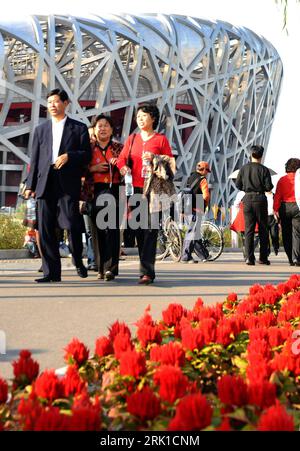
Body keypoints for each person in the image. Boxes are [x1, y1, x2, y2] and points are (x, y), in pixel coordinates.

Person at [25, 88, 91, 282]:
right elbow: (35, 159)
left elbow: (87, 155)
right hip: (45, 182)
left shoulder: (78, 128)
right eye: (50, 102)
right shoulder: (40, 130)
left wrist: (69, 156)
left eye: (56, 101)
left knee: (71, 224)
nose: (52, 105)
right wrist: (30, 185)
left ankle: (78, 259)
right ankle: (51, 273)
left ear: (65, 103)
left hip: (67, 184)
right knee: (45, 229)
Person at [117, 103, 175, 285]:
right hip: (134, 189)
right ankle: (145, 266)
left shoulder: (161, 140)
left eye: (144, 116)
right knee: (138, 230)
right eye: (138, 116)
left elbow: (171, 164)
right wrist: (123, 167)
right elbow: (121, 159)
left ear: (153, 118)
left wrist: (155, 158)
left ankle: (147, 272)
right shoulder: (132, 139)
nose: (140, 119)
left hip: (154, 189)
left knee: (150, 229)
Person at [88, 114, 123, 281]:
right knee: (96, 230)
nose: (102, 128)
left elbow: (127, 168)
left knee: (112, 230)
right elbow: (80, 170)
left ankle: (111, 268)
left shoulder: (119, 148)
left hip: (114, 190)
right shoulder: (88, 148)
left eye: (106, 125)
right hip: (93, 191)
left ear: (111, 129)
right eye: (99, 126)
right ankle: (100, 267)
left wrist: (120, 165)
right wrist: (93, 168)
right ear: (94, 130)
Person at [235, 144, 273, 265]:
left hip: (247, 199)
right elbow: (268, 187)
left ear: (251, 155)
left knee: (249, 230)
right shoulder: (264, 170)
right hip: (260, 199)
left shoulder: (243, 169)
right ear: (261, 156)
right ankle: (263, 258)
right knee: (263, 229)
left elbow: (238, 185)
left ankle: (249, 258)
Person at [180, 161, 211, 263]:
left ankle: (203, 255)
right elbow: (206, 195)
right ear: (204, 170)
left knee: (194, 232)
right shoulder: (203, 180)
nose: (207, 173)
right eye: (207, 171)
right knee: (192, 232)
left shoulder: (190, 177)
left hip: (187, 208)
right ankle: (186, 256)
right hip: (196, 209)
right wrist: (205, 205)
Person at [274, 158, 300, 266]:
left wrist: (275, 209)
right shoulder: (298, 179)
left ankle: (290, 258)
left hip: (284, 207)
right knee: (297, 233)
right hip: (297, 206)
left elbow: (278, 196)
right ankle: (296, 258)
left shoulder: (282, 180)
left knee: (286, 233)